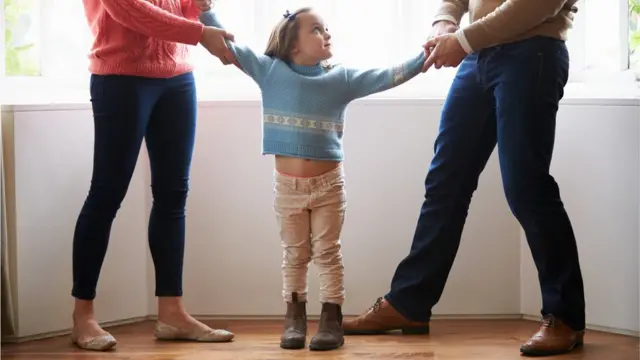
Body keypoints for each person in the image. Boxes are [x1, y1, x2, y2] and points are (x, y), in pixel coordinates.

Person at [341, 0, 586, 357]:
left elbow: (538, 4)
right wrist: (444, 23)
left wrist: (465, 39)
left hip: (532, 54)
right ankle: (409, 302)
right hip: (478, 59)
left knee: (526, 187)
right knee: (445, 183)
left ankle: (565, 316)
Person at [195, 3, 425, 351]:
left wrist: (426, 56)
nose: (326, 33)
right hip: (287, 188)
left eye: (326, 28)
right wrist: (204, 11)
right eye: (316, 29)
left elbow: (388, 75)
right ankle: (294, 317)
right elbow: (227, 46)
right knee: (294, 254)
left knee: (328, 252)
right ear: (292, 45)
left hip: (329, 185)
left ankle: (331, 318)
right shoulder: (269, 70)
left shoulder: (340, 78)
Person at [71, 0, 239, 351]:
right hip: (120, 79)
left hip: (177, 78)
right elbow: (127, 9)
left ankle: (172, 313)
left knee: (173, 195)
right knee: (106, 195)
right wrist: (199, 33)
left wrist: (199, 10)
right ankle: (83, 317)